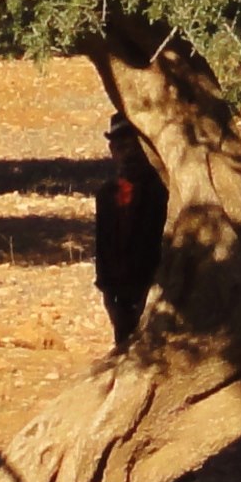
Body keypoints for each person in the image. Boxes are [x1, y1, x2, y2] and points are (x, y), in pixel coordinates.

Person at [94, 117, 166, 347]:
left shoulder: (162, 192)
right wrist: (107, 295)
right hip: (119, 293)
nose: (129, 154)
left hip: (155, 292)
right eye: (121, 147)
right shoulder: (106, 195)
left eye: (135, 147)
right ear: (112, 150)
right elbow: (103, 247)